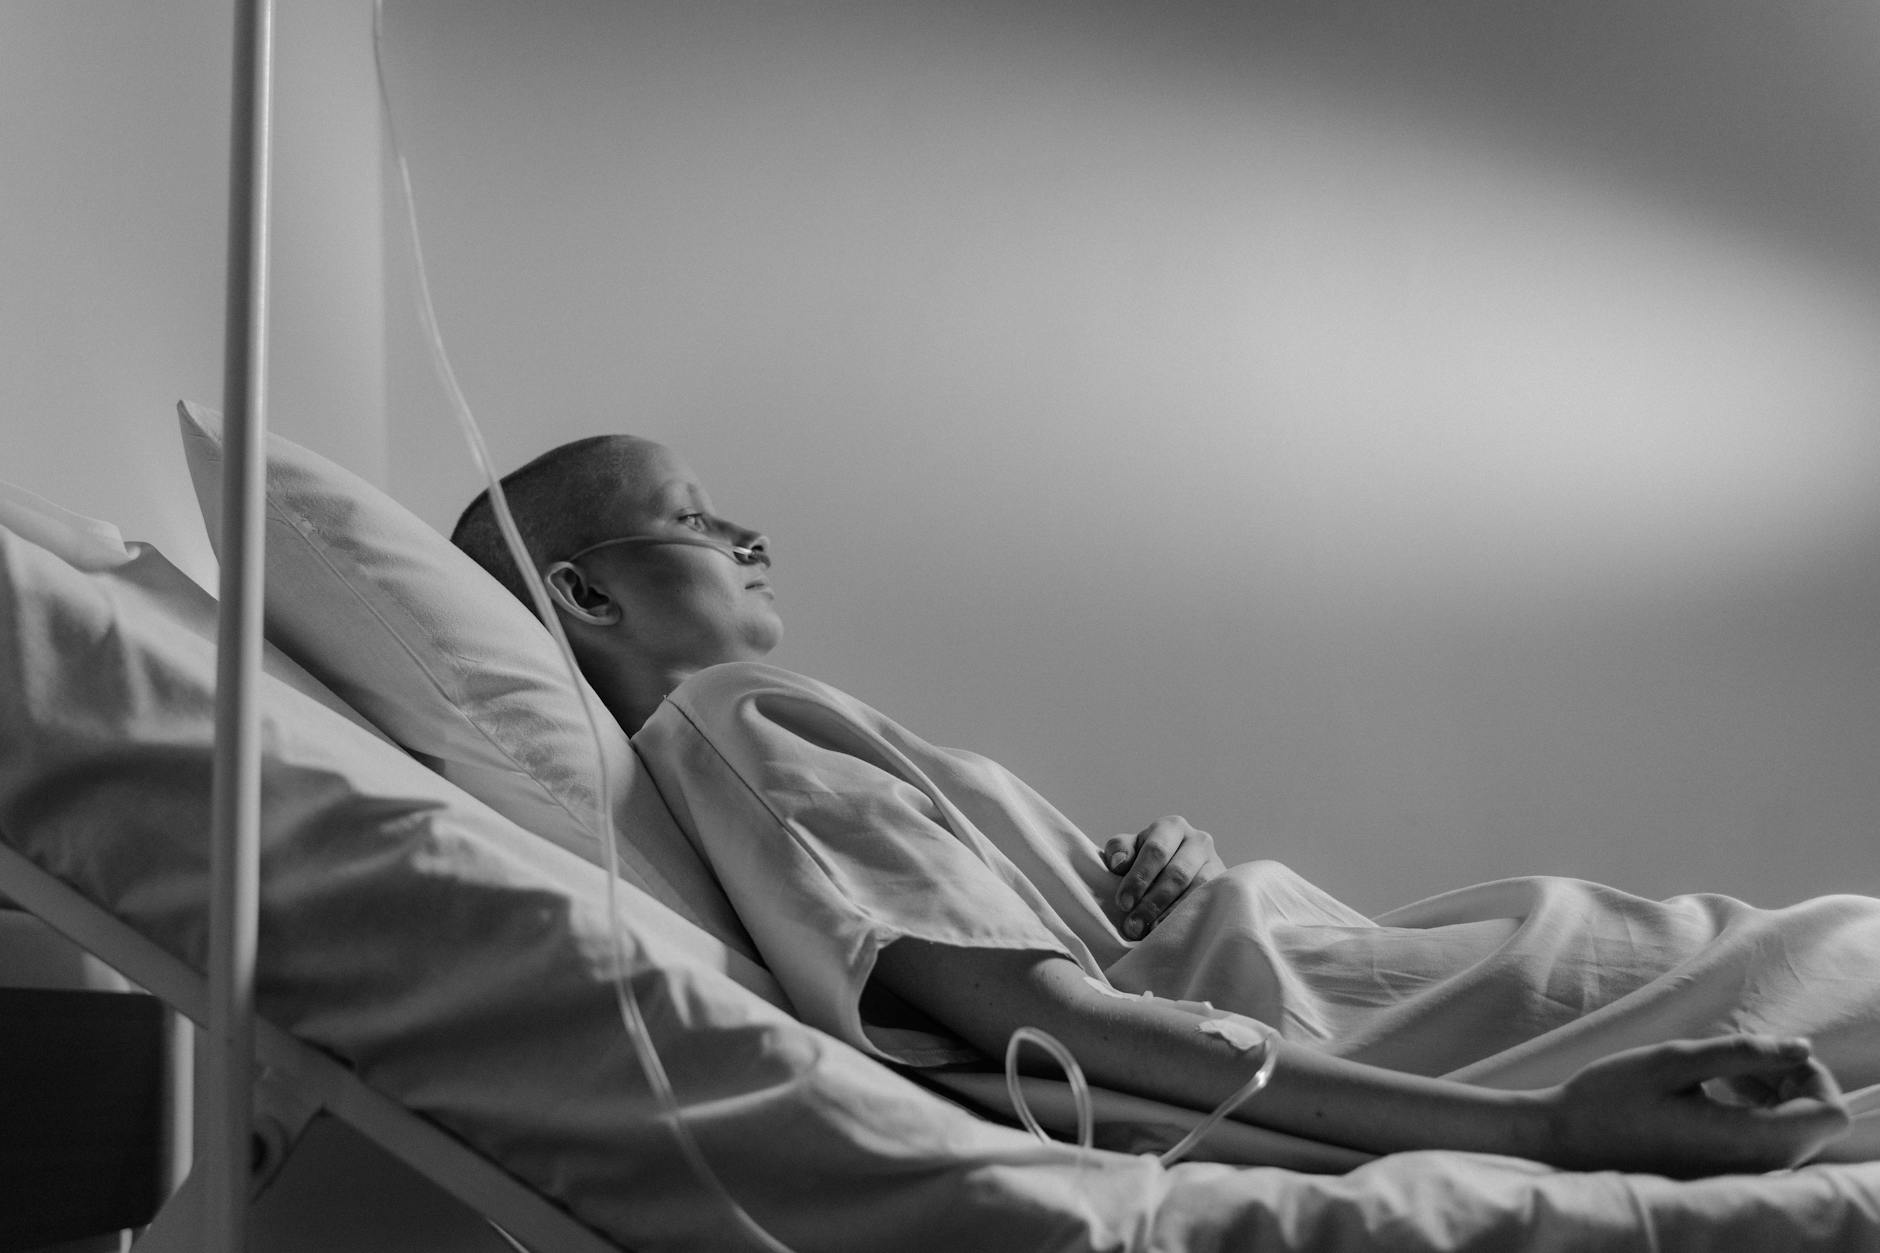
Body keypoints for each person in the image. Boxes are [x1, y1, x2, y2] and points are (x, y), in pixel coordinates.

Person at [453, 433, 1857, 1177]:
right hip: (1394, 1014)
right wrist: (1548, 1131)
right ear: (584, 592)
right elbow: (1059, 1027)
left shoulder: (740, 752)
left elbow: (1053, 970)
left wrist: (1159, 890)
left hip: (1339, 971)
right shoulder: (728, 718)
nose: (754, 541)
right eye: (704, 521)